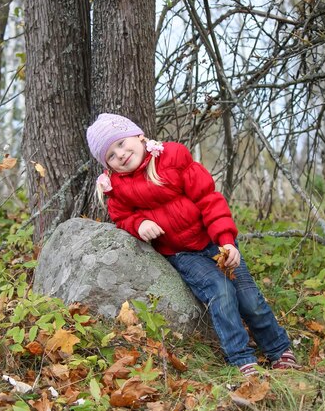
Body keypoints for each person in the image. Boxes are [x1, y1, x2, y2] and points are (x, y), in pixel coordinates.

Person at [86, 113, 300, 376]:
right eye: (110, 155)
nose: (119, 154)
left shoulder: (173, 158)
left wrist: (227, 242)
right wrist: (139, 224)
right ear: (108, 166)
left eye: (120, 143)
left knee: (247, 296)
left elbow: (209, 200)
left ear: (139, 136)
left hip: (214, 241)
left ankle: (278, 348)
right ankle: (241, 357)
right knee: (221, 291)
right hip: (182, 254)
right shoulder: (118, 188)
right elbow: (122, 217)